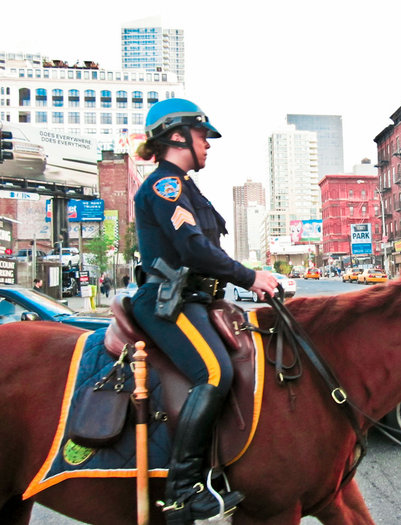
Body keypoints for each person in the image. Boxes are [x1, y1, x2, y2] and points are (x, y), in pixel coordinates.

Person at [132, 98, 278, 524]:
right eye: (203, 136)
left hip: (197, 299)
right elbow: (193, 249)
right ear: (177, 136)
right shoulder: (166, 185)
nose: (208, 145)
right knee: (214, 373)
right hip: (168, 301)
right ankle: (183, 493)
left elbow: (208, 248)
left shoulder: (188, 187)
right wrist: (251, 278)